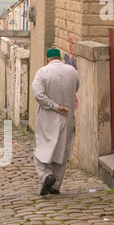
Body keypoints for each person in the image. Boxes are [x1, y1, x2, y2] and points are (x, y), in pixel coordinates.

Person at [32, 48, 80, 195]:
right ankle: (56, 186)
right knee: (61, 152)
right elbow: (76, 88)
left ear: (48, 59)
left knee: (40, 151)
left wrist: (54, 106)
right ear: (59, 58)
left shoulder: (43, 72)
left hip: (48, 119)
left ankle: (47, 175)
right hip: (67, 118)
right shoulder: (72, 71)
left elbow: (38, 94)